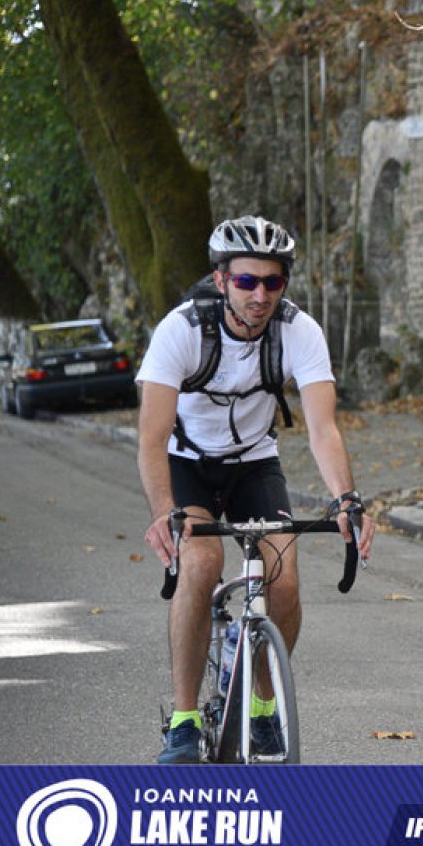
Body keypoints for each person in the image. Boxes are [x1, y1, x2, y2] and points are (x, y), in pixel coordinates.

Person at [137, 215, 374, 763]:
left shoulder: (299, 331)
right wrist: (164, 512)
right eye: (246, 281)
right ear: (221, 280)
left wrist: (347, 499)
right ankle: (183, 721)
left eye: (273, 282)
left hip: (254, 464)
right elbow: (150, 439)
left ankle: (264, 708)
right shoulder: (181, 330)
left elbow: (323, 429)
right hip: (188, 463)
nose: (260, 295)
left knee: (283, 579)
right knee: (201, 564)